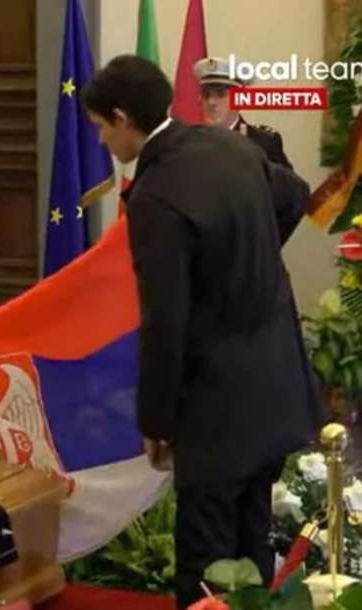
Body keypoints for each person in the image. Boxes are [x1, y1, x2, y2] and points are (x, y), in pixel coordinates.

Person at [81, 55, 325, 609]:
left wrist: (156, 421)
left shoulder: (156, 194)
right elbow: (293, 195)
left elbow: (165, 321)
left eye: (100, 127)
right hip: (277, 381)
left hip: (217, 407)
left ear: (122, 118)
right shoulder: (230, 146)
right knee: (252, 539)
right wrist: (250, 258)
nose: (101, 140)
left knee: (206, 563)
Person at [193, 56, 292, 168]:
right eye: (206, 95)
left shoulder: (263, 143)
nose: (211, 102)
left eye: (221, 94)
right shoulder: (192, 143)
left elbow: (285, 179)